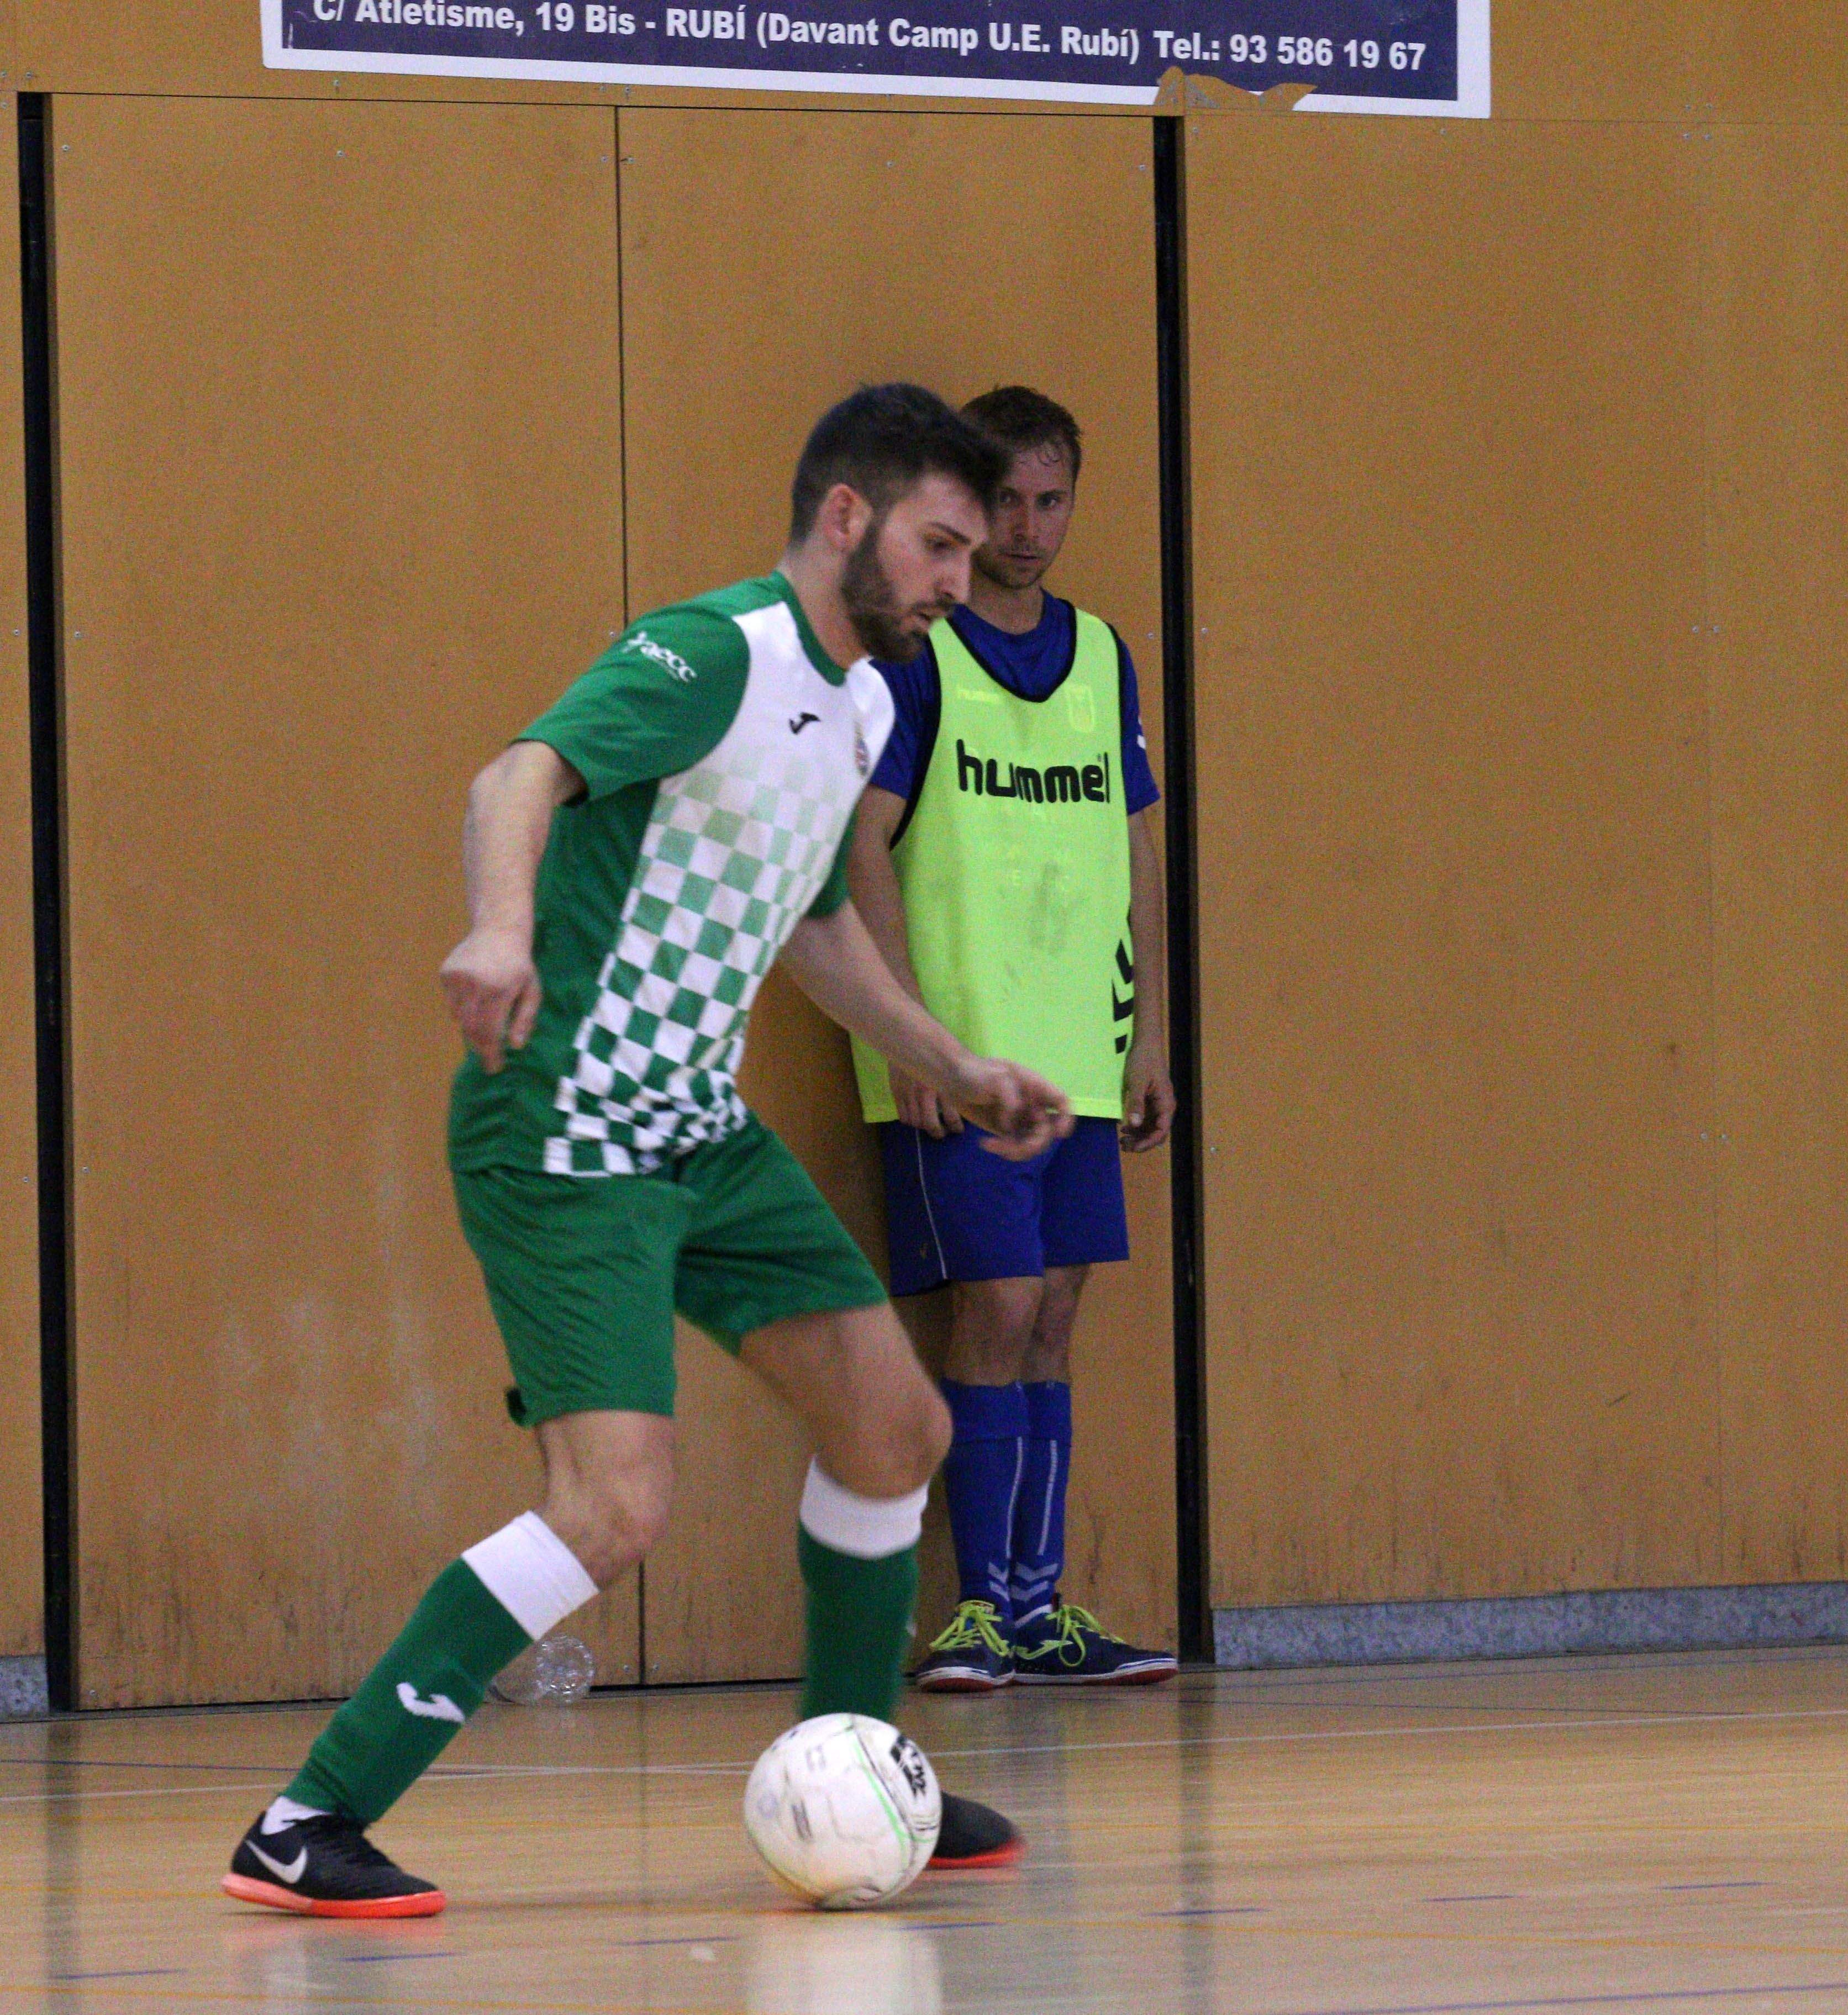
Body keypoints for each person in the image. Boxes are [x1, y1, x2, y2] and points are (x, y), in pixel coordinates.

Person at [221, 384, 1072, 1918]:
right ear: (846, 517)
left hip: (698, 1127)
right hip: (565, 1122)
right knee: (612, 1506)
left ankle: (853, 1769)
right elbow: (515, 777)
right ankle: (309, 1819)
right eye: (940, 545)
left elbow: (812, 923)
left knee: (895, 1428)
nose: (965, 578)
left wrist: (951, 1063)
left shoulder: (869, 706)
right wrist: (499, 930)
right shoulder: (715, 653)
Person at [845, 386, 1177, 1690]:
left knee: (1056, 1315)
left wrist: (1149, 1034)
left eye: (1054, 501)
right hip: (964, 1061)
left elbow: (1136, 845)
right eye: (1008, 504)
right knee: (998, 1304)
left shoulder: (1102, 656)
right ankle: (980, 1608)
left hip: (1078, 1050)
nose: (1031, 529)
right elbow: (860, 842)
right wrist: (912, 1038)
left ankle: (1041, 1608)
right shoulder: (921, 654)